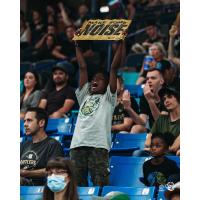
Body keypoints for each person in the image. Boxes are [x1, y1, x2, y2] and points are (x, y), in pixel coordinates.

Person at [70, 39, 123, 186]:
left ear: (107, 85)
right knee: (77, 186)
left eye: (99, 79)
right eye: (93, 79)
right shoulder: (84, 96)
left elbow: (113, 68)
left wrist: (121, 44)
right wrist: (77, 46)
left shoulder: (109, 98)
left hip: (98, 145)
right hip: (78, 144)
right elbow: (82, 67)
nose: (94, 80)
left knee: (100, 184)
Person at [20, 107, 64, 185]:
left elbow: (53, 170)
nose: (25, 124)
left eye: (29, 120)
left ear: (41, 123)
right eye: (24, 121)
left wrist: (25, 173)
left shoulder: (53, 144)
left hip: (38, 186)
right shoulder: (24, 145)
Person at [134, 86, 180, 156]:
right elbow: (148, 141)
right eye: (164, 99)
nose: (166, 101)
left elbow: (174, 148)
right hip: (157, 153)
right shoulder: (162, 118)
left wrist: (155, 148)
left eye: (170, 97)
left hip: (172, 155)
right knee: (137, 153)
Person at [123, 68, 166, 133]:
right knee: (136, 128)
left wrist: (150, 100)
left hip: (167, 131)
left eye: (153, 78)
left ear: (161, 81)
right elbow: (142, 122)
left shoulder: (168, 96)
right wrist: (128, 108)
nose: (149, 81)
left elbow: (162, 124)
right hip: (153, 131)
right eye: (147, 79)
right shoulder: (145, 97)